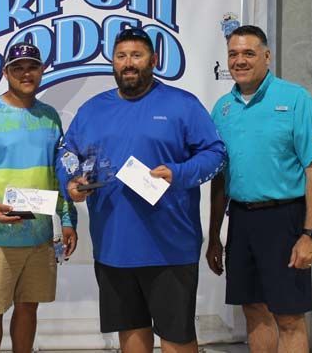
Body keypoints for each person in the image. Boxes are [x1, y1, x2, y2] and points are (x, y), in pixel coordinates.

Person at [57, 27, 226, 353]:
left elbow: (215, 155)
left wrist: (178, 173)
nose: (128, 63)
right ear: (113, 63)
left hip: (170, 246)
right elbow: (66, 153)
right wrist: (72, 181)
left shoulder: (182, 105)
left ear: (154, 60)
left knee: (177, 338)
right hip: (113, 247)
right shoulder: (93, 110)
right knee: (131, 335)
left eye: (137, 55)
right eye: (121, 56)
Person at [206, 25, 312, 353]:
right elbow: (219, 178)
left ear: (267, 56)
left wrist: (311, 235)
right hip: (242, 221)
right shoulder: (222, 109)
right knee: (253, 310)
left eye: (249, 53)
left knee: (289, 317)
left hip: (286, 221)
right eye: (233, 54)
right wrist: (215, 235)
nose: (240, 60)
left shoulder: (295, 99)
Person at [0, 42, 78, 353]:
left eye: (32, 66)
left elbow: (58, 174)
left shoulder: (50, 117)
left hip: (38, 236)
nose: (26, 73)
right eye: (18, 68)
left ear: (42, 70)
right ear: (6, 72)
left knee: (28, 308)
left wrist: (66, 219)